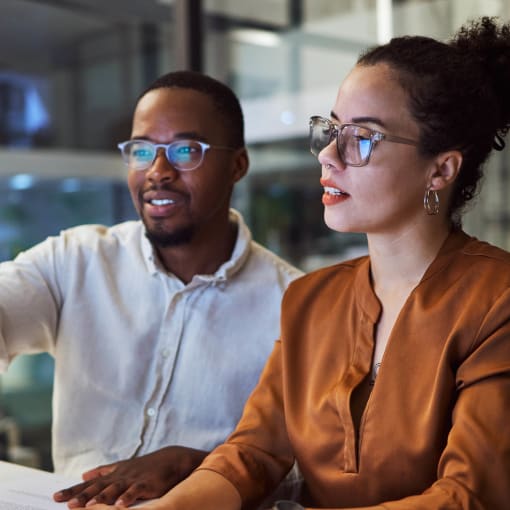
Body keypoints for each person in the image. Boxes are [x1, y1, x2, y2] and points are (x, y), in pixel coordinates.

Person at [84, 16, 510, 510]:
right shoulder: (311, 298)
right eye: (331, 130)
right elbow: (252, 453)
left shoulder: (495, 300)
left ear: (441, 169)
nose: (329, 155)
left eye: (362, 137)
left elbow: (469, 496)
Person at [0, 71, 302, 505]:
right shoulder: (76, 259)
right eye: (142, 151)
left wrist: (201, 465)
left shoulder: (294, 304)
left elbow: (310, 475)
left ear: (237, 165)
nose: (158, 172)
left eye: (185, 150)